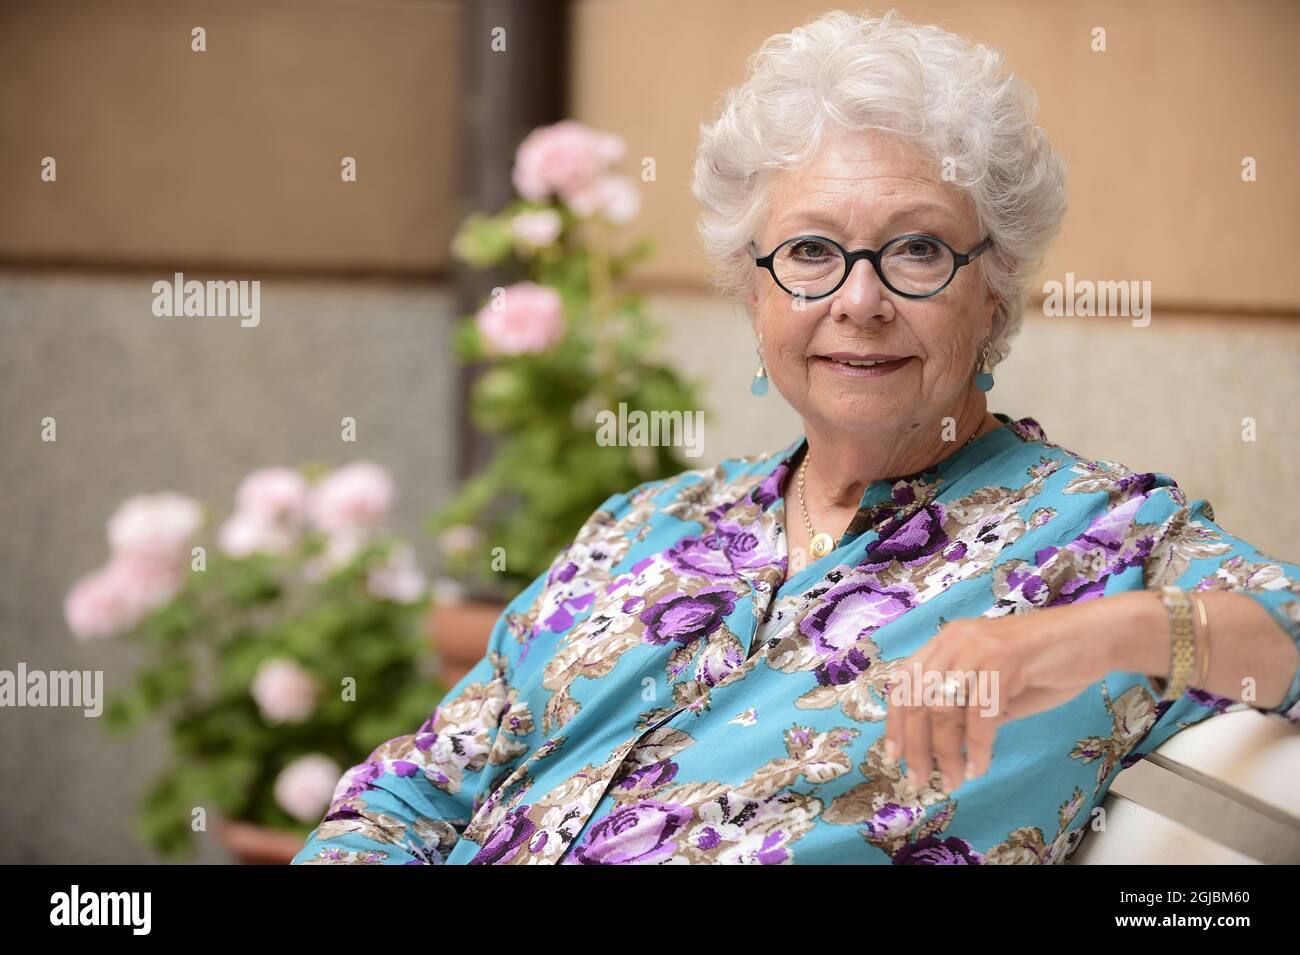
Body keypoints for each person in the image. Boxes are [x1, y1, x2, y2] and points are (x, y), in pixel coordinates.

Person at [292, 9, 1300, 865]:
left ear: (993, 292)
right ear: (753, 288)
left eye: (916, 250)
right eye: (811, 251)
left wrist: (1092, 634)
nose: (858, 300)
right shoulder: (639, 528)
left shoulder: (1102, 540)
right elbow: (408, 797)